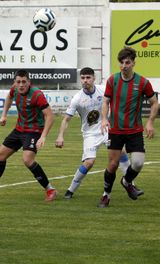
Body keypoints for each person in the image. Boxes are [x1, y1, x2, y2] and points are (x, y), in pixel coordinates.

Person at [0, 70, 57, 201]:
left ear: (29, 82)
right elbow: (9, 97)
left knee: (27, 160)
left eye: (24, 82)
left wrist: (43, 136)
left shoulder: (37, 95)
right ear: (14, 82)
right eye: (18, 82)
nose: (21, 85)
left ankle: (50, 189)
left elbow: (50, 115)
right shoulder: (14, 89)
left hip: (33, 130)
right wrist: (4, 114)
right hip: (19, 129)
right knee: (0, 156)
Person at [55, 67, 131, 199]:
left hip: (106, 129)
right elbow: (66, 119)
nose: (85, 80)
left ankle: (130, 185)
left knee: (122, 152)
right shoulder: (77, 99)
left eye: (88, 77)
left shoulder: (103, 90)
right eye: (83, 78)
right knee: (89, 162)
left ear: (94, 78)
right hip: (90, 134)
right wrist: (60, 136)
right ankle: (70, 190)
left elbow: (117, 100)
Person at [98, 46, 158, 208]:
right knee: (112, 164)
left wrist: (150, 122)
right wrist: (104, 118)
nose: (124, 65)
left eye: (127, 62)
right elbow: (105, 101)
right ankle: (106, 195)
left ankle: (126, 181)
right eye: (121, 63)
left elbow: (154, 103)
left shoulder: (143, 82)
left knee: (138, 163)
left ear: (133, 63)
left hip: (135, 131)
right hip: (116, 130)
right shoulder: (112, 80)